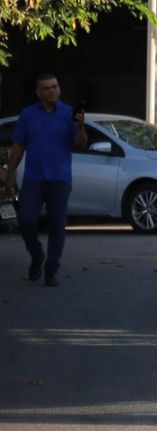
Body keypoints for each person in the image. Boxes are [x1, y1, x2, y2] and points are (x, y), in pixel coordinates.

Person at [2, 73, 87, 286]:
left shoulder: (68, 114)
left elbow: (80, 144)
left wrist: (81, 125)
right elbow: (19, 146)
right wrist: (10, 176)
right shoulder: (28, 115)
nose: (52, 91)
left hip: (59, 179)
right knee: (26, 221)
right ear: (38, 92)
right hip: (34, 179)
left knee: (57, 226)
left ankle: (51, 269)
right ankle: (37, 255)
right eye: (47, 88)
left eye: (55, 86)